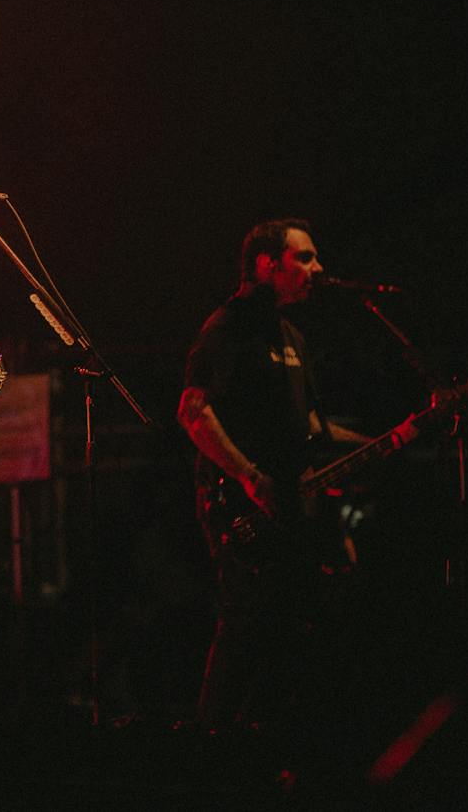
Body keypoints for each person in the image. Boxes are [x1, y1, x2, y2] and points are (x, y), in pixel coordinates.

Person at [176, 218, 374, 735]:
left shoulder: (293, 338)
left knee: (297, 625)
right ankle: (209, 738)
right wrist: (249, 477)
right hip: (239, 506)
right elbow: (193, 412)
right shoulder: (228, 327)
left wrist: (382, 443)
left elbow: (310, 427)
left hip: (290, 506)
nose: (317, 268)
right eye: (304, 258)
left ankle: (268, 739)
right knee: (246, 622)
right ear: (267, 265)